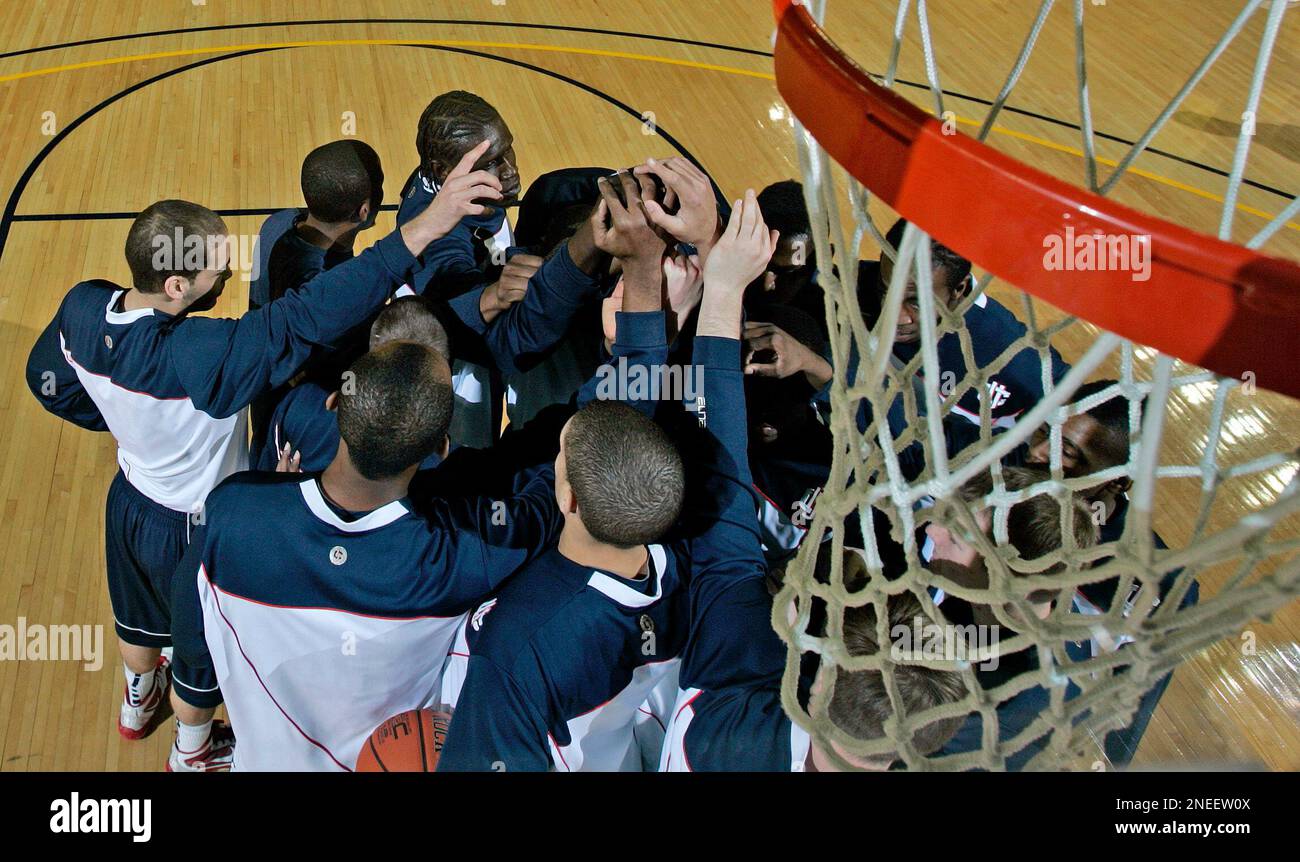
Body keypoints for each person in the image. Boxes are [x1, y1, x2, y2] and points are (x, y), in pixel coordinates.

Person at [24, 144, 499, 743]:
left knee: (139, 620)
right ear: (176, 283)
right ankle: (191, 748)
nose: (225, 276)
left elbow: (48, 385)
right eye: (213, 270)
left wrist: (124, 417)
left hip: (130, 500)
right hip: (195, 524)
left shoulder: (83, 307)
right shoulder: (201, 354)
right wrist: (423, 228)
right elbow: (306, 316)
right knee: (198, 652)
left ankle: (137, 705)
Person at [436, 184, 768, 772]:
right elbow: (720, 458)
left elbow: (712, 455)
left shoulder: (512, 644)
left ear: (563, 495)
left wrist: (682, 296)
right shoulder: (698, 566)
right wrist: (699, 301)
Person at [167, 339, 570, 771]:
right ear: (441, 450)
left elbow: (192, 625)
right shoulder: (462, 557)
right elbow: (549, 496)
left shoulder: (233, 513)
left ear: (335, 403)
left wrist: (276, 498)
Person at [248, 139, 386, 457]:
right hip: (303, 425)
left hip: (266, 391)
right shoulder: (339, 291)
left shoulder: (277, 223)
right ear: (364, 210)